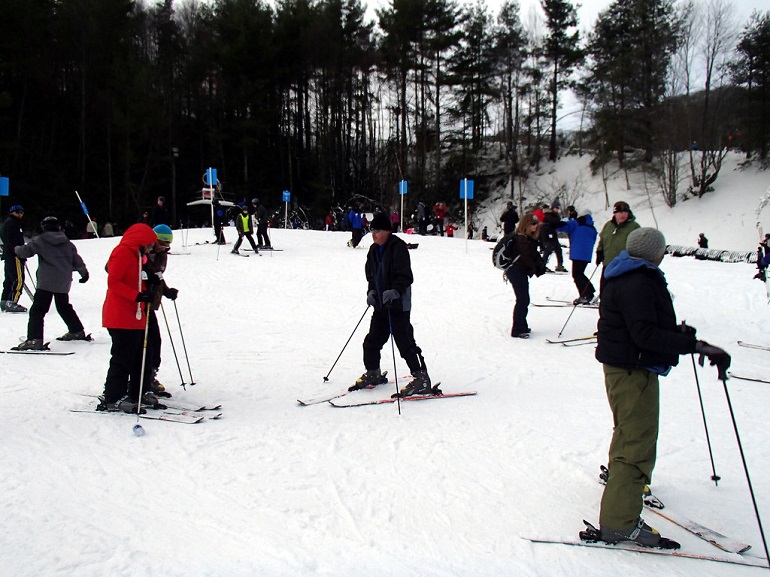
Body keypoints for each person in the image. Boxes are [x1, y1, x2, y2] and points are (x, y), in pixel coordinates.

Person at [595, 227, 731, 547]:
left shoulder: (628, 274)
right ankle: (620, 522)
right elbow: (644, 334)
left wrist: (679, 335)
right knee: (636, 444)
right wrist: (692, 345)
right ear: (655, 252)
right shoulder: (638, 281)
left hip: (626, 366)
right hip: (632, 370)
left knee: (630, 436)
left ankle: (621, 501)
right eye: (663, 249)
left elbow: (642, 325)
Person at [352, 212, 436, 397]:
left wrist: (395, 291)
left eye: (377, 230)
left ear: (388, 231)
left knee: (404, 342)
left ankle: (421, 378)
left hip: (398, 305)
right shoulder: (373, 250)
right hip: (381, 305)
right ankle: (373, 372)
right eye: (371, 230)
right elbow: (371, 277)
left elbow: (405, 276)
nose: (373, 234)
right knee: (371, 341)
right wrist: (371, 292)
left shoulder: (398, 248)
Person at [97, 223, 161, 414]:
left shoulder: (137, 257)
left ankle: (138, 391)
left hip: (136, 316)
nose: (150, 249)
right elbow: (114, 282)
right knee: (123, 357)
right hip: (121, 316)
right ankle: (113, 397)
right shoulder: (123, 252)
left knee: (141, 356)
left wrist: (148, 289)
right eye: (149, 244)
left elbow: (135, 281)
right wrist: (137, 295)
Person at [11, 216, 90, 350]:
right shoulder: (67, 242)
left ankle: (34, 340)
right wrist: (84, 273)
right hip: (63, 281)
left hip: (46, 281)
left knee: (38, 310)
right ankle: (77, 331)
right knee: (63, 306)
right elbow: (77, 260)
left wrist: (15, 249)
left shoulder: (40, 240)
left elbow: (25, 252)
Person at [143, 224, 179, 399]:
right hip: (139, 304)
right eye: (161, 243)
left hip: (151, 304)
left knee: (155, 342)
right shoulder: (141, 253)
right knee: (147, 343)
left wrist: (166, 290)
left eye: (167, 244)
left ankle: (150, 375)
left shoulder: (161, 254)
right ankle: (142, 379)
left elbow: (158, 276)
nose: (164, 247)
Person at [503, 213, 546, 338]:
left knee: (524, 299)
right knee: (523, 299)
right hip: (516, 271)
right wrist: (536, 269)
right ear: (526, 224)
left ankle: (522, 325)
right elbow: (527, 257)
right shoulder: (521, 239)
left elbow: (531, 255)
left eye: (537, 224)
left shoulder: (528, 238)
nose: (536, 226)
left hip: (519, 271)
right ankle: (517, 329)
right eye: (533, 224)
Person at [595, 200, 640, 293]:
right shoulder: (608, 225)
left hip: (625, 267)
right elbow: (602, 239)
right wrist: (599, 251)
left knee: (621, 293)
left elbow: (639, 245)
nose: (622, 214)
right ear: (615, 213)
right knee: (605, 291)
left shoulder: (634, 227)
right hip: (608, 264)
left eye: (625, 212)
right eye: (619, 212)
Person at [557, 212, 598, 304]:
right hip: (586, 254)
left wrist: (556, 223)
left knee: (577, 275)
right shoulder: (592, 227)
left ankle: (586, 295)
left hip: (577, 253)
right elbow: (594, 239)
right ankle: (590, 292)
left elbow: (563, 227)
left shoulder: (576, 223)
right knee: (580, 273)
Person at [1, 204, 27, 313]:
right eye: (18, 212)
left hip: (9, 254)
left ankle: (4, 300)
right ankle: (12, 302)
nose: (20, 214)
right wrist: (19, 252)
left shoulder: (8, 222)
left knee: (9, 278)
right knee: (18, 279)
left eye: (22, 212)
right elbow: (13, 241)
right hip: (15, 254)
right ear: (13, 212)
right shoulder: (12, 224)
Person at [540, 206, 567, 273]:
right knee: (549, 250)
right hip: (548, 234)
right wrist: (560, 223)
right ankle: (542, 266)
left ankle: (558, 265)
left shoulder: (551, 215)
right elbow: (554, 222)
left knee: (556, 250)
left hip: (550, 234)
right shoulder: (549, 215)